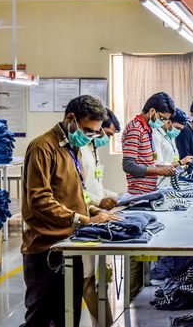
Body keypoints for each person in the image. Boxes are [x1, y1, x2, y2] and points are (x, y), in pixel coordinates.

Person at [21, 95, 119, 327]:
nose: (90, 136)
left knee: (67, 317)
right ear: (70, 119)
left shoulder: (72, 147)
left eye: (95, 132)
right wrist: (84, 219)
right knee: (40, 318)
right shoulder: (42, 148)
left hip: (69, 244)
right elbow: (39, 199)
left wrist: (94, 210)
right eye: (87, 130)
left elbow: (75, 193)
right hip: (45, 247)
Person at [79, 107, 120, 327]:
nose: (107, 138)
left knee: (95, 280)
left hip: (94, 214)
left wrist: (120, 197)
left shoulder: (92, 148)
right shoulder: (79, 149)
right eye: (108, 133)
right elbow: (80, 190)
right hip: (84, 218)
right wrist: (97, 205)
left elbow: (97, 186)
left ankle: (102, 323)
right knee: (87, 281)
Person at [122, 92, 176, 195]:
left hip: (150, 191)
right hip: (139, 193)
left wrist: (162, 168)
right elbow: (128, 166)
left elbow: (146, 161)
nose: (163, 122)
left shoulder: (148, 129)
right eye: (162, 118)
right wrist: (158, 171)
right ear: (152, 111)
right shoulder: (135, 129)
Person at [151, 108, 193, 187]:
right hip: (159, 184)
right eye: (177, 128)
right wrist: (180, 162)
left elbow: (172, 159)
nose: (178, 131)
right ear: (168, 122)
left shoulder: (170, 137)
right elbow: (158, 164)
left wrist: (182, 167)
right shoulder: (156, 136)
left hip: (170, 182)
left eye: (180, 129)